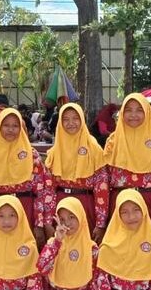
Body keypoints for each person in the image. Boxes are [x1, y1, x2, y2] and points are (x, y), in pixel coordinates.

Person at [0, 108, 55, 249]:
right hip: (2, 214)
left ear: (21, 128)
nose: (10, 130)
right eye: (6, 125)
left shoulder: (31, 155)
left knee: (27, 253)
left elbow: (42, 191)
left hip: (26, 210)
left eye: (15, 126)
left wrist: (39, 224)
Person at [103, 93, 151, 236]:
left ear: (147, 113)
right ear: (122, 113)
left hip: (150, 204)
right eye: (128, 110)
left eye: (139, 110)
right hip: (120, 204)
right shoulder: (113, 141)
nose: (133, 115)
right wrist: (102, 219)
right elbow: (104, 179)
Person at [45, 103, 109, 242]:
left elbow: (102, 188)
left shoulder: (93, 148)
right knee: (61, 247)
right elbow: (49, 189)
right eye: (66, 119)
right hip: (61, 207)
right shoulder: (55, 151)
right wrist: (48, 221)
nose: (71, 123)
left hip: (85, 205)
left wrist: (101, 224)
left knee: (85, 247)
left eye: (75, 118)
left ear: (82, 120)